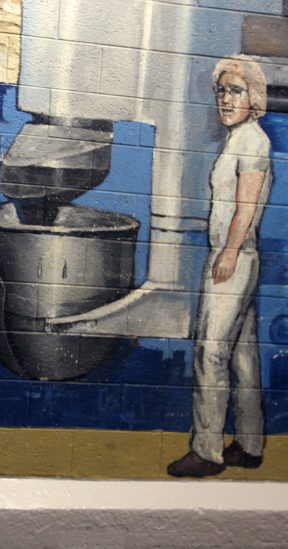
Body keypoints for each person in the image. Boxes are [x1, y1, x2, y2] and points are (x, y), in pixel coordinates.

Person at [167, 56, 272, 477]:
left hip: (233, 256)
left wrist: (227, 252)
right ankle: (249, 444)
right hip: (238, 255)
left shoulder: (251, 142)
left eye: (236, 91)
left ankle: (207, 451)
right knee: (242, 356)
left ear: (255, 97)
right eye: (222, 91)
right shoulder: (242, 138)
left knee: (210, 352)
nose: (226, 99)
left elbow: (245, 206)